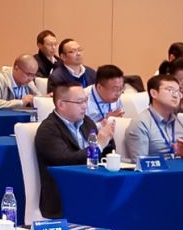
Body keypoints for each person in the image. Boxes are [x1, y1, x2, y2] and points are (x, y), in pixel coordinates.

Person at [33, 84, 120, 219]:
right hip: (64, 197)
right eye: (79, 102)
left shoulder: (87, 122)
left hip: (92, 189)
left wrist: (108, 137)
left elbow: (105, 154)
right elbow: (67, 161)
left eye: (86, 101)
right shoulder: (48, 130)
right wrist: (99, 145)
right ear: (61, 104)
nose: (85, 106)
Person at [126, 74, 183, 160]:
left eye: (178, 92)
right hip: (157, 168)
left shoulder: (181, 121)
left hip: (182, 167)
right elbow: (141, 162)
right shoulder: (141, 123)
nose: (175, 96)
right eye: (170, 90)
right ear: (153, 93)